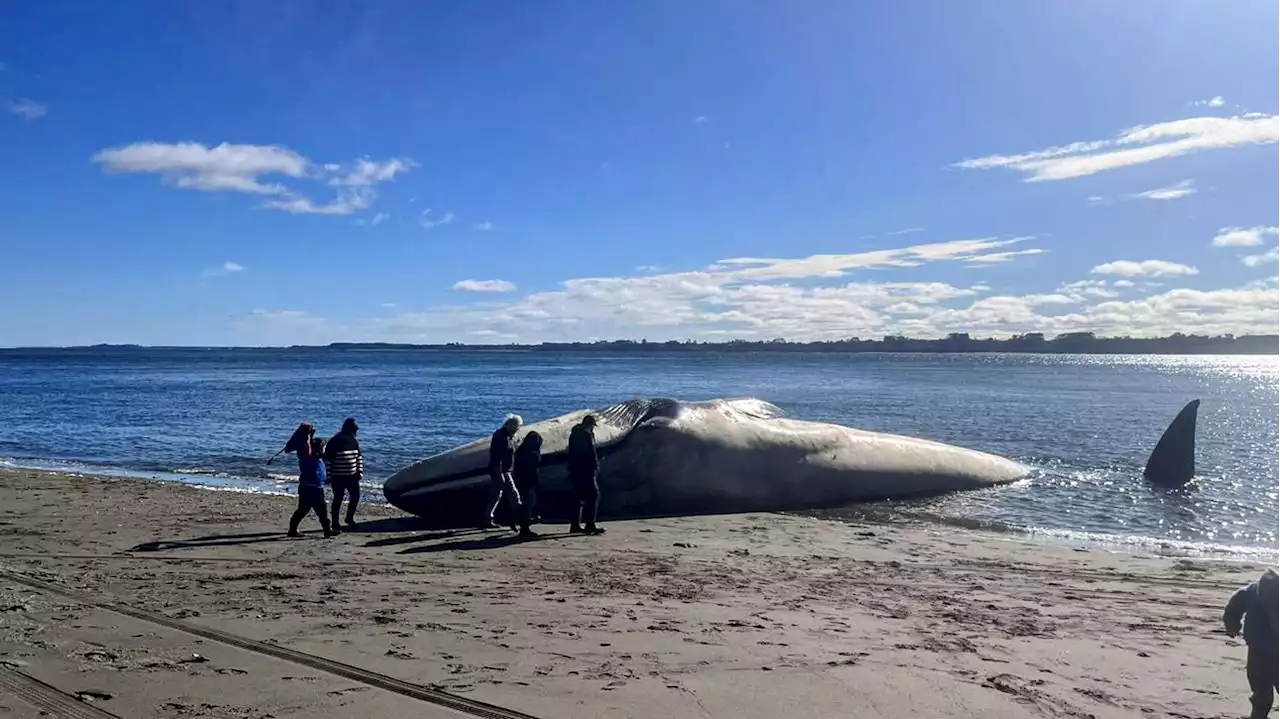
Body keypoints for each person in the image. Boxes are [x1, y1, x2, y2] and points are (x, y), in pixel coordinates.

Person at [1224, 567, 1280, 718]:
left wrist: (1232, 625)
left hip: (1257, 649)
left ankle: (1258, 715)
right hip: (1267, 649)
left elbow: (1235, 604)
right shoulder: (1253, 591)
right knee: (1261, 692)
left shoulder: (1253, 590)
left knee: (1261, 693)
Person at [283, 425, 333, 538]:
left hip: (309, 485)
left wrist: (308, 435)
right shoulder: (307, 453)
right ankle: (327, 530)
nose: (323, 449)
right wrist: (304, 434)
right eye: (323, 447)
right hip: (312, 486)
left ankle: (292, 530)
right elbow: (292, 446)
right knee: (320, 509)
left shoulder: (314, 456)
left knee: (303, 509)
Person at [485, 413, 528, 535]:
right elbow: (497, 457)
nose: (517, 429)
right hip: (500, 470)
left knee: (496, 494)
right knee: (514, 495)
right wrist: (500, 475)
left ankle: (488, 518)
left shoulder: (509, 436)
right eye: (517, 426)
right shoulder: (501, 437)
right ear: (510, 425)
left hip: (504, 470)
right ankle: (514, 520)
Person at [324, 417, 364, 533]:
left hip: (352, 476)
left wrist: (359, 471)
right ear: (350, 428)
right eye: (355, 427)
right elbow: (328, 460)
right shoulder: (335, 440)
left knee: (355, 497)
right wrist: (329, 476)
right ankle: (335, 523)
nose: (357, 430)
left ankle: (349, 518)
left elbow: (359, 457)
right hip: (338, 476)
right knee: (338, 499)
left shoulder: (354, 441)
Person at [567, 414, 604, 535]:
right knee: (593, 495)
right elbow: (590, 453)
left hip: (575, 470)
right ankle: (590, 524)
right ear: (589, 425)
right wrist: (595, 466)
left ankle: (575, 525)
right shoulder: (586, 435)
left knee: (578, 497)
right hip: (586, 471)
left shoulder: (574, 434)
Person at [513, 430, 543, 525]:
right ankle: (525, 524)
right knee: (530, 502)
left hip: (520, 479)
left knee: (525, 501)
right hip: (529, 480)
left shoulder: (521, 451)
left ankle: (521, 521)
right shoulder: (533, 453)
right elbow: (534, 467)